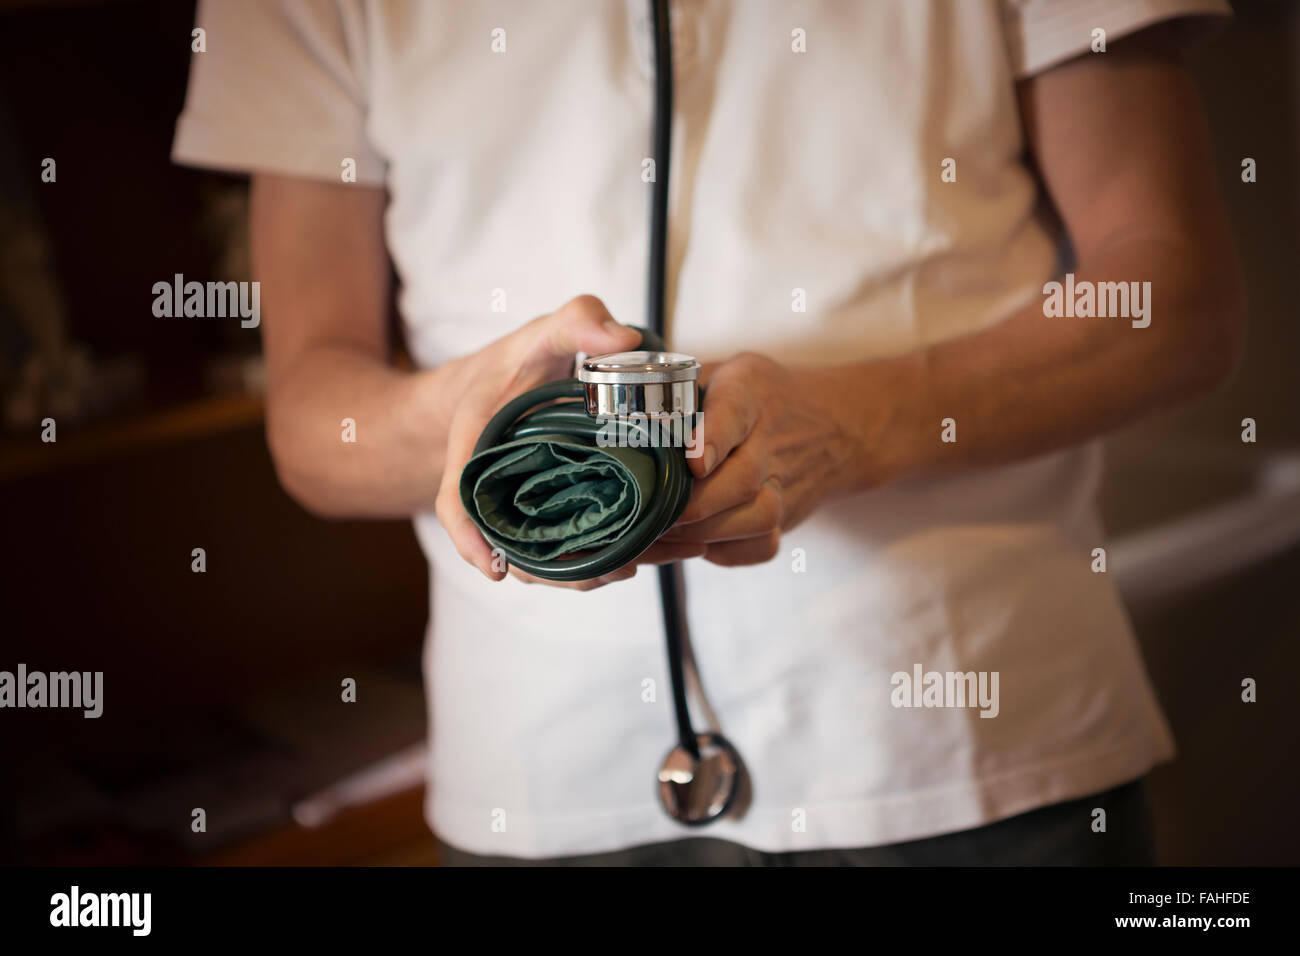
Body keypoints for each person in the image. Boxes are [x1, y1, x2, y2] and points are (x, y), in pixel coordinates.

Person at [173, 0, 1244, 866]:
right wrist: (469, 413)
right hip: (548, 780)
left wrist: (854, 423)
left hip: (970, 747)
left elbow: (1171, 298)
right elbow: (313, 422)